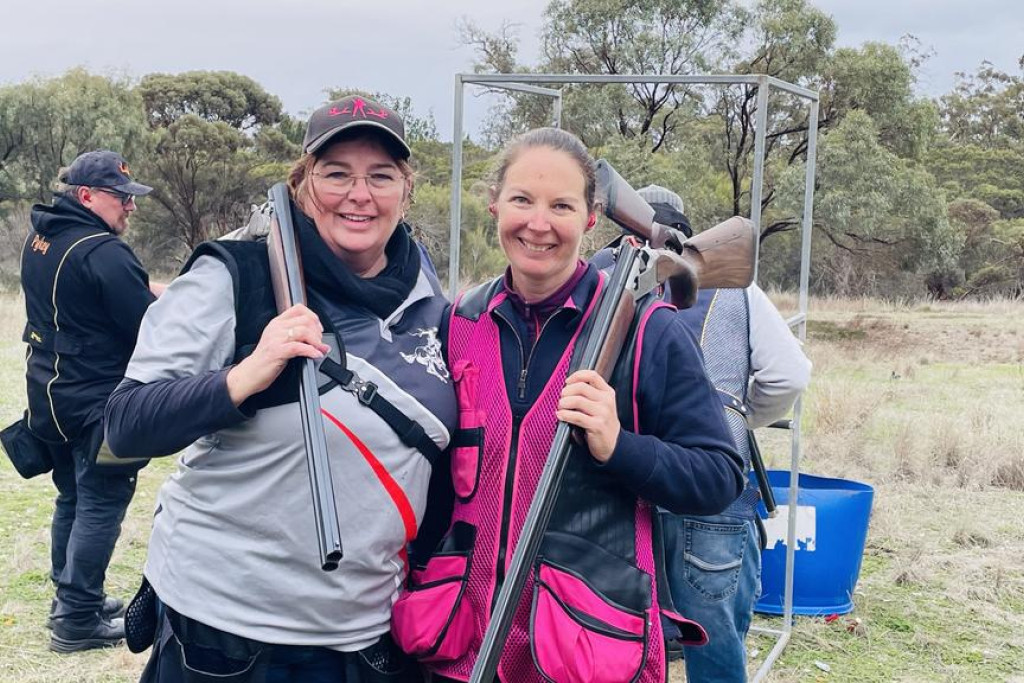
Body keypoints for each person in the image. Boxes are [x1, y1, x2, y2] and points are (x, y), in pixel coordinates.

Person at [104, 95, 457, 682]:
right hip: (227, 636)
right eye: (336, 173)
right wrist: (246, 374)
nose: (359, 194)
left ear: (406, 189)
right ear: (302, 184)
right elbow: (126, 424)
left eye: (381, 176)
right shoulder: (234, 275)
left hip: (369, 631)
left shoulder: (430, 296)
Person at [391, 128, 745, 683]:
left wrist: (618, 446)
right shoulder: (456, 322)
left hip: (586, 648)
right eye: (521, 200)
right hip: (461, 646)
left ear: (590, 217)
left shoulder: (648, 330)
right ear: (494, 206)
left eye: (561, 205)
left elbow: (719, 477)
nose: (538, 223)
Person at [638, 185, 812, 682]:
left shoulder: (605, 279)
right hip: (712, 497)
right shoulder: (738, 286)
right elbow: (789, 375)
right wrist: (735, 419)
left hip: (625, 486)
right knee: (714, 655)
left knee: (617, 639)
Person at [9, 150, 159, 652]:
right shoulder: (104, 252)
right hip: (98, 399)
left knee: (72, 496)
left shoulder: (41, 237)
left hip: (49, 394)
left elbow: (108, 294)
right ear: (89, 196)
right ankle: (76, 621)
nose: (129, 208)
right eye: (121, 198)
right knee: (102, 501)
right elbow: (147, 326)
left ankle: (73, 600)